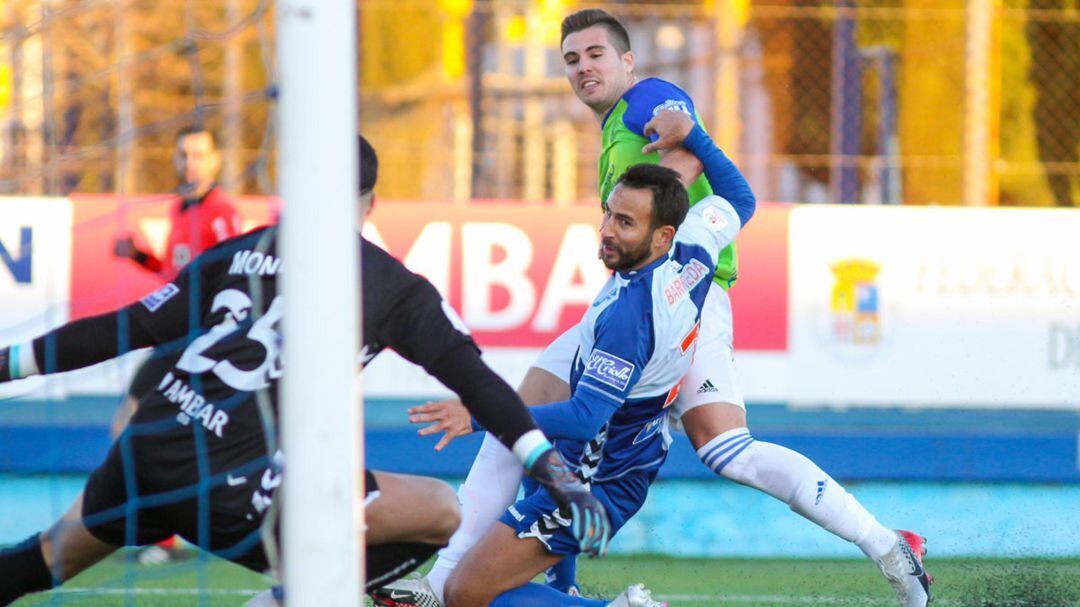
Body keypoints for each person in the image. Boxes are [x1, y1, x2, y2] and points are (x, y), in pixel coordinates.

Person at [385, 9, 931, 607]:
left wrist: (678, 161)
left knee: (665, 438)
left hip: (673, 298)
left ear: (627, 60)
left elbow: (681, 149)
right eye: (571, 59)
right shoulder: (618, 132)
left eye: (595, 54)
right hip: (670, 283)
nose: (583, 67)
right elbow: (732, 193)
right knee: (543, 414)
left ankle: (454, 583)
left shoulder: (647, 99)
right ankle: (886, 545)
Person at [0, 136, 609, 607]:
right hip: (235, 483)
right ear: (371, 202)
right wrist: (559, 476)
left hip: (147, 449)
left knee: (45, 558)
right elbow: (480, 385)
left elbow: (122, 327)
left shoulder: (243, 249)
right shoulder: (393, 289)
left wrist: (7, 365)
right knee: (438, 511)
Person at [374, 111, 753, 607]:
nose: (607, 231)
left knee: (466, 593)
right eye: (609, 214)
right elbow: (741, 198)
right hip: (614, 459)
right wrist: (696, 137)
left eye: (625, 223)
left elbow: (584, 417)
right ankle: (564, 587)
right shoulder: (693, 246)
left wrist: (478, 415)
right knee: (527, 457)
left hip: (594, 480)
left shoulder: (630, 319)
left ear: (661, 236)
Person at [107, 125, 245, 565]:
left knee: (135, 425)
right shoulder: (179, 209)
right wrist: (140, 256)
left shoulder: (221, 212)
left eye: (201, 155)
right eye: (185, 154)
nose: (192, 163)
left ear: (216, 160)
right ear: (175, 159)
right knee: (150, 429)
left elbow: (232, 277)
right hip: (172, 336)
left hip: (193, 340)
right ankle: (167, 532)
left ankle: (165, 535)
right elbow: (176, 278)